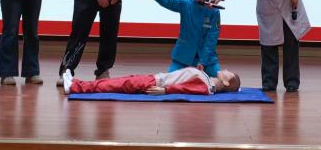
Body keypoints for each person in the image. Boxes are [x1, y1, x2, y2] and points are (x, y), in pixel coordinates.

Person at [135, 0, 221, 77]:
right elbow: (168, 0)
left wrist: (203, 62)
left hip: (206, 59)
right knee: (168, 80)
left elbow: (211, 40)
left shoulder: (214, 12)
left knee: (223, 81)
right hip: (183, 57)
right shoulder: (186, 4)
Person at [62, 67, 240, 96]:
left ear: (225, 83)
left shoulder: (206, 85)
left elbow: (185, 89)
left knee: (112, 85)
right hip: (154, 79)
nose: (225, 70)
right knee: (117, 82)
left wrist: (165, 90)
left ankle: (74, 87)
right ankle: (77, 83)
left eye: (228, 73)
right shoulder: (207, 79)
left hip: (154, 83)